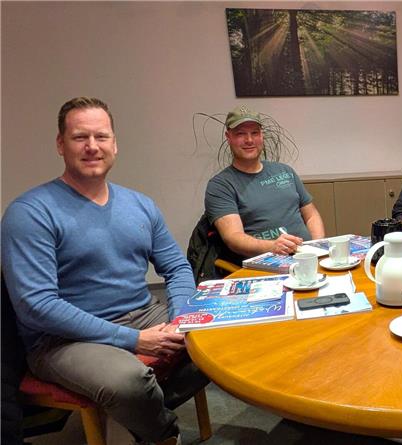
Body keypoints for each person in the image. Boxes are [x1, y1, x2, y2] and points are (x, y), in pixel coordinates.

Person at [1, 97, 206, 444]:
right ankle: (163, 433)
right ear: (60, 144)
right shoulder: (30, 213)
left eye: (101, 137)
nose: (92, 147)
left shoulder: (140, 204)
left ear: (115, 144)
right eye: (80, 137)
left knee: (220, 341)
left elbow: (175, 266)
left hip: (143, 313)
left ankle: (134, 414)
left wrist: (180, 318)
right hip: (62, 339)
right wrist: (136, 340)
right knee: (128, 382)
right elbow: (36, 306)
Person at [204, 106, 325, 263]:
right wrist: (272, 246)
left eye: (254, 133)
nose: (249, 140)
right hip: (266, 264)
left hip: (308, 257)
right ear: (229, 137)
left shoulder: (284, 171)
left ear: (261, 135)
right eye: (241, 134)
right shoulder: (221, 185)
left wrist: (316, 247)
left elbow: (311, 215)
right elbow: (233, 237)